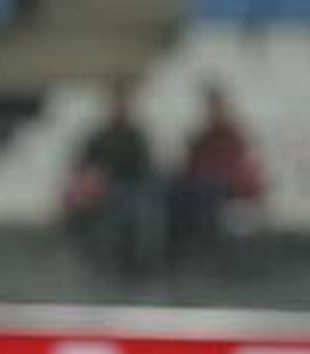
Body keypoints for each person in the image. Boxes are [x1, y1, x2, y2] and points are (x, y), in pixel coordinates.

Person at [61, 86, 162, 279]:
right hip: (102, 189)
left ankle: (132, 260)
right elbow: (85, 164)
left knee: (133, 211)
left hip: (129, 189)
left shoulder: (136, 137)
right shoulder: (101, 137)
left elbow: (146, 168)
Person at [167, 82, 265, 268]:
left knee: (206, 193)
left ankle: (205, 250)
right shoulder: (203, 134)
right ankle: (180, 250)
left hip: (224, 185)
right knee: (177, 191)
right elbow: (192, 162)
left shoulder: (231, 133)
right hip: (202, 183)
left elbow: (234, 164)